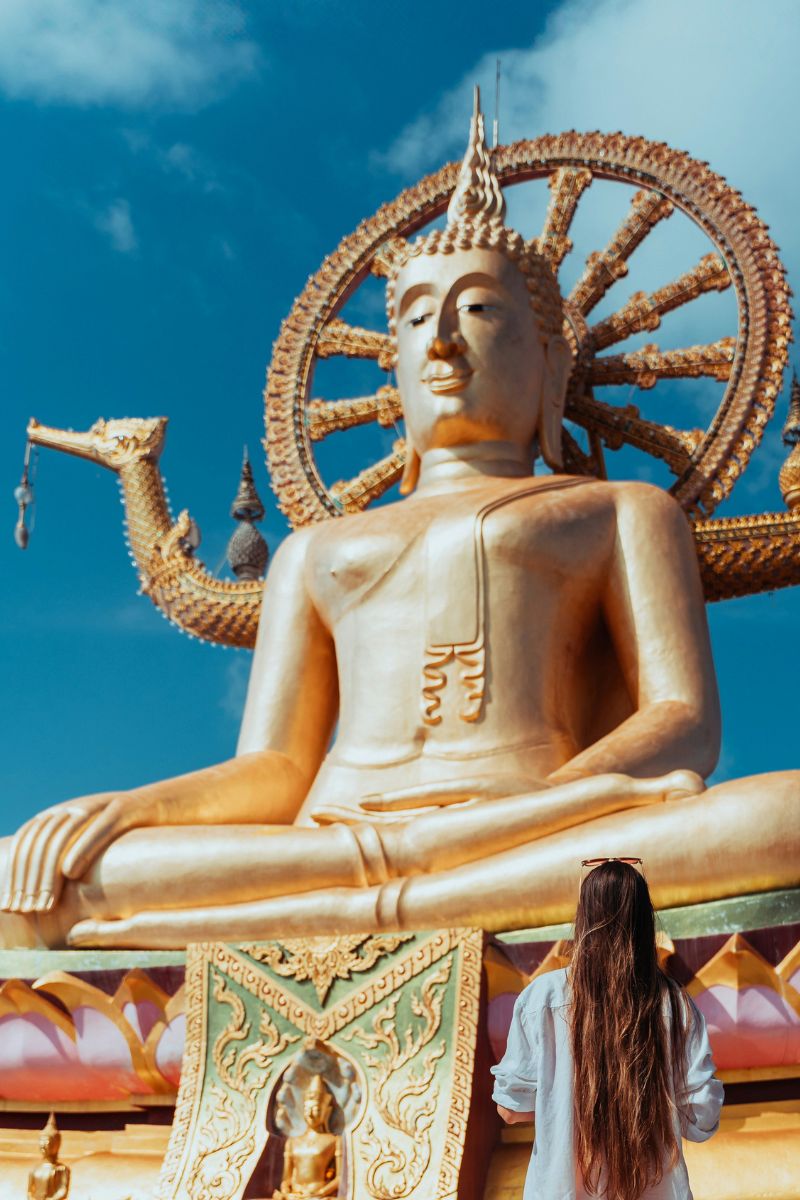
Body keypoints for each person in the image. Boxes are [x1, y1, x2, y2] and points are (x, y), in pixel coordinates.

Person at [0, 94, 796, 950]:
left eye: (480, 310)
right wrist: (131, 809)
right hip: (333, 838)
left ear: (551, 360)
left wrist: (549, 803)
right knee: (29, 869)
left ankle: (352, 911)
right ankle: (394, 897)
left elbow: (681, 719)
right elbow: (276, 769)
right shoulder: (316, 550)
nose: (442, 342)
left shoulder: (622, 511)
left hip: (536, 826)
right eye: (416, 319)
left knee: (785, 814)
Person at [491, 859, 723, 1200]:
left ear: (583, 917)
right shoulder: (674, 1004)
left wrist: (563, 1108)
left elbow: (510, 1110)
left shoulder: (542, 999)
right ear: (645, 920)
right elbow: (702, 1115)